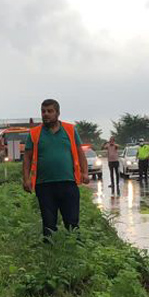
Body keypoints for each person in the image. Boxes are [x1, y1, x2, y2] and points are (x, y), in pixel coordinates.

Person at [21, 98, 90, 236]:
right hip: (44, 185)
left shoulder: (70, 130)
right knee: (49, 224)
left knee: (72, 222)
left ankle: (74, 250)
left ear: (57, 113)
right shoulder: (34, 133)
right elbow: (27, 157)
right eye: (43, 111)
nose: (46, 114)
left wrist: (85, 172)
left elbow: (79, 152)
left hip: (68, 183)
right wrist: (26, 179)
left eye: (50, 111)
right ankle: (50, 253)